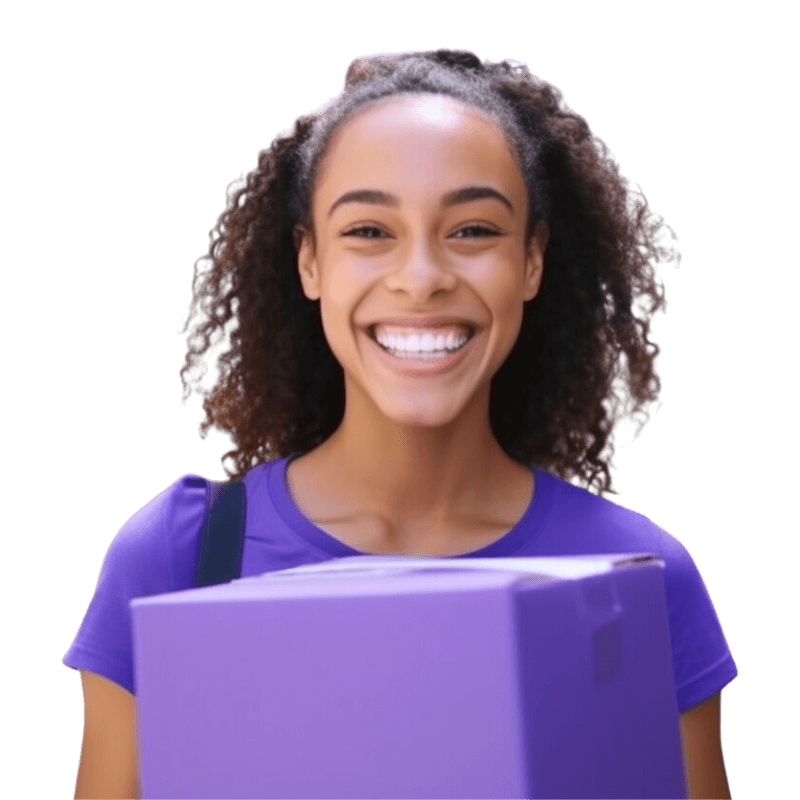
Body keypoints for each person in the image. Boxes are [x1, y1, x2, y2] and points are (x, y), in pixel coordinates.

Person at [64, 48, 736, 799]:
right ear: (309, 262)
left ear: (533, 261)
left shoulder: (641, 579)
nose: (421, 277)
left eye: (474, 230)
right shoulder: (177, 559)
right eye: (369, 232)